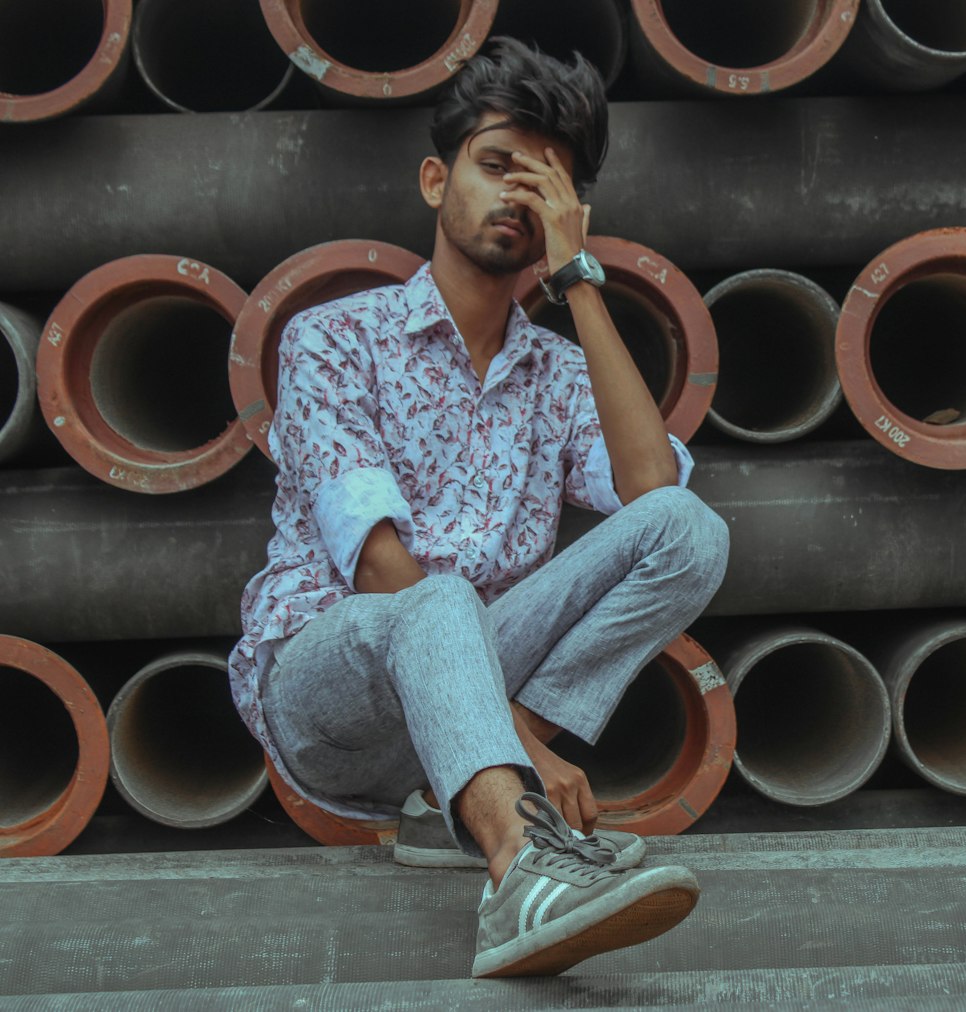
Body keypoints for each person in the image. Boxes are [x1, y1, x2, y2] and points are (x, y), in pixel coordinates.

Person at [229, 37, 729, 978]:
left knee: (691, 528)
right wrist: (525, 739)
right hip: (329, 695)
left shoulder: (558, 373)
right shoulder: (333, 340)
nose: (515, 195)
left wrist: (579, 283)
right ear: (434, 180)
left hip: (470, 685)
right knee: (436, 595)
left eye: (545, 182)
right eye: (496, 165)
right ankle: (521, 876)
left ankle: (459, 802)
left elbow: (650, 497)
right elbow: (376, 565)